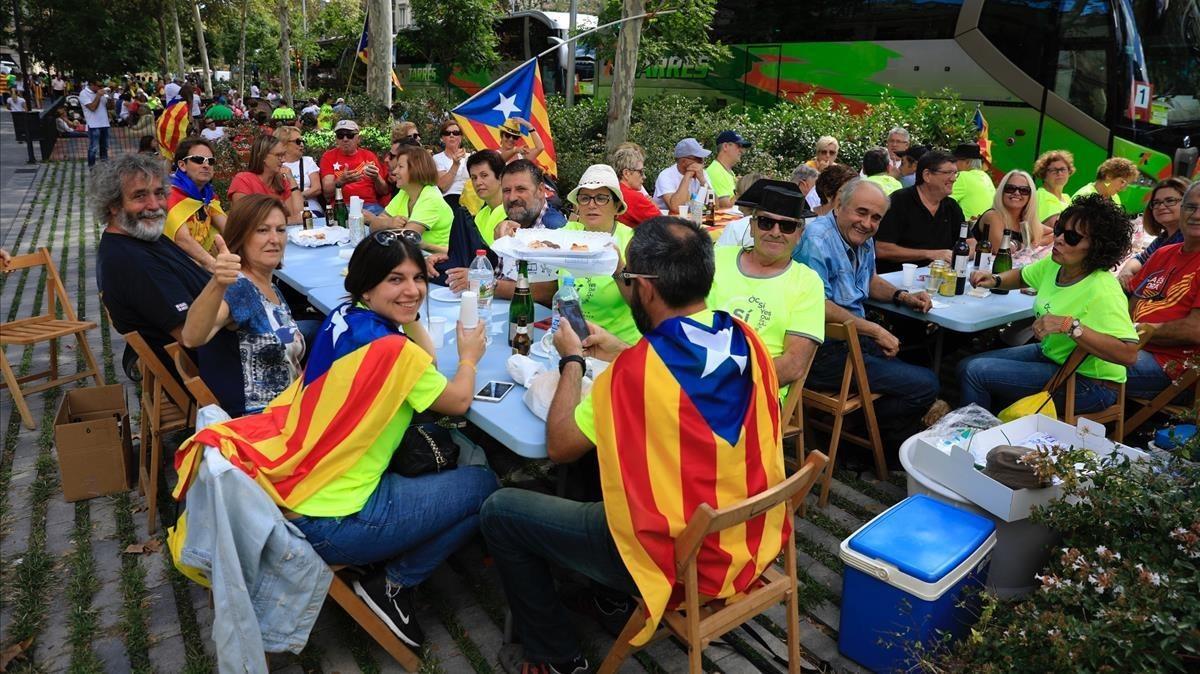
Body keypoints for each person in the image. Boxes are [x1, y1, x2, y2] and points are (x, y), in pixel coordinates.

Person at [482, 216, 792, 674]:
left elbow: (561, 444)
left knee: (501, 511)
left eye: (626, 278)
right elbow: (684, 376)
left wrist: (571, 360)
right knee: (600, 467)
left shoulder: (636, 374)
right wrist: (623, 350)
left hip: (676, 556)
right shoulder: (746, 339)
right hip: (752, 536)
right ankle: (604, 596)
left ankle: (555, 657)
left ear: (646, 288)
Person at [175, 231, 498, 649]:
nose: (412, 289)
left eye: (418, 278)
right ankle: (394, 585)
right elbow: (456, 400)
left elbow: (425, 363)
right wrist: (470, 357)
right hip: (335, 522)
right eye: (395, 280)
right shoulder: (396, 353)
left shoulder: (342, 318)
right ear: (367, 285)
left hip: (299, 490)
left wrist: (406, 310)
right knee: (486, 485)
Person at [794, 179, 941, 449]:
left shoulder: (862, 238)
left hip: (853, 341)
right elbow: (818, 304)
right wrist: (875, 330)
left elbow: (869, 281)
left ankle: (853, 429)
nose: (867, 223)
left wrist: (903, 297)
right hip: (820, 350)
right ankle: (862, 442)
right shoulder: (816, 239)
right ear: (839, 206)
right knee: (926, 384)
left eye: (876, 218)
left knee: (919, 358)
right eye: (861, 212)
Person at [964, 194, 1139, 413]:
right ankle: (993, 429)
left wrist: (1069, 325)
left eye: (1073, 237)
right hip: (1054, 357)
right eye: (1059, 230)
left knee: (976, 372)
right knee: (967, 365)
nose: (1059, 239)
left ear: (1097, 247)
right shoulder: (1057, 264)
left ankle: (972, 436)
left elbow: (1129, 354)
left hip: (1091, 383)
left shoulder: (1103, 289)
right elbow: (1023, 275)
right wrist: (996, 280)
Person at [94, 153, 216, 378]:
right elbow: (192, 336)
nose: (154, 205)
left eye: (159, 193)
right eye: (140, 196)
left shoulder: (144, 236)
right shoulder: (131, 262)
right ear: (113, 205)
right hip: (211, 373)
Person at [181, 195, 304, 416]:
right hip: (258, 425)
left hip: (288, 410)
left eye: (281, 230)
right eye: (262, 230)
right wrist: (217, 283)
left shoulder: (270, 286)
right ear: (241, 236)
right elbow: (192, 337)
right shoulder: (239, 288)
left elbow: (283, 336)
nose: (275, 239)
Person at [708, 179, 823, 394]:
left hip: (755, 394)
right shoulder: (715, 258)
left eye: (787, 225)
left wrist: (723, 384)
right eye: (765, 222)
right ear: (751, 226)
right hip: (694, 378)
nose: (776, 232)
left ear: (799, 234)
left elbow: (793, 366)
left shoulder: (807, 282)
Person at [531, 164, 640, 345]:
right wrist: (510, 233)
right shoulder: (570, 233)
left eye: (601, 198)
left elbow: (643, 306)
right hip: (571, 341)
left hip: (616, 346)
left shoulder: (632, 242)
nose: (591, 204)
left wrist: (619, 270)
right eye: (585, 198)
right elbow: (536, 244)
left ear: (617, 205)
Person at [1126, 180, 1200, 400]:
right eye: (1191, 207)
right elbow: (1135, 300)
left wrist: (1130, 334)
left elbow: (1194, 330)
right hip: (1132, 346)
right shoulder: (1162, 252)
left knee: (1079, 363)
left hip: (1172, 366)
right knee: (1060, 351)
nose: (1196, 215)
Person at [875, 149, 966, 273]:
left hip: (939, 278)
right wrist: (930, 254)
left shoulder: (951, 206)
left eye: (955, 173)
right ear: (927, 175)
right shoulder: (899, 202)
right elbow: (882, 249)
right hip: (898, 279)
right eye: (948, 173)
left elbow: (971, 243)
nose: (954, 179)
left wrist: (953, 256)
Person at [368, 144, 454, 253]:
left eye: (400, 167)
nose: (394, 172)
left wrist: (383, 224)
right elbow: (373, 227)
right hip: (417, 256)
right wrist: (389, 223)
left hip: (439, 261)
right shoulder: (404, 192)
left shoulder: (430, 197)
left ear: (416, 169)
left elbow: (407, 240)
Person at [166, 138, 228, 269]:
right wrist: (215, 267)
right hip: (176, 266)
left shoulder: (208, 195)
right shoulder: (169, 194)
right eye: (198, 160)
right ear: (182, 165)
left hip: (202, 263)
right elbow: (182, 240)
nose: (206, 165)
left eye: (210, 161)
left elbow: (228, 228)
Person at [1117, 177, 1189, 289]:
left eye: (1170, 201)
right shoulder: (1165, 237)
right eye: (1156, 202)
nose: (1161, 206)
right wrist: (1127, 270)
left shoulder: (1188, 240)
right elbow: (1141, 259)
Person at [319, 119, 389, 215]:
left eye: (350, 135)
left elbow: (384, 191)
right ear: (336, 139)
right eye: (340, 135)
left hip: (370, 205)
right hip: (342, 206)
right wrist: (341, 181)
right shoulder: (328, 157)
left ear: (358, 138)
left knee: (388, 223)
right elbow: (327, 193)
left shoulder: (369, 156)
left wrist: (377, 178)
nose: (345, 139)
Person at [228, 135, 303, 223]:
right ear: (262, 156)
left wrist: (292, 181)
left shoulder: (281, 182)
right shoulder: (243, 180)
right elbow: (246, 219)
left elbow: (300, 216)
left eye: (283, 155)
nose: (283, 160)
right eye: (278, 155)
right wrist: (286, 220)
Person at [973, 169, 1044, 255]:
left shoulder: (1025, 220)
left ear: (1030, 196)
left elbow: (1052, 233)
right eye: (1010, 188)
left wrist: (1032, 244)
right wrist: (1023, 245)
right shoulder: (993, 216)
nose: (1017, 193)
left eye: (1024, 190)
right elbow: (1001, 249)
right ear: (1002, 191)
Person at [275, 125, 323, 217]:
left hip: (310, 208)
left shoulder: (307, 161)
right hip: (285, 210)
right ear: (284, 144)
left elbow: (317, 188)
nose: (302, 145)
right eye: (297, 142)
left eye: (302, 141)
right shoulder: (276, 164)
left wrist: (297, 197)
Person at [652, 138, 711, 212]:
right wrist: (688, 175)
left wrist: (703, 181)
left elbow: (716, 205)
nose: (702, 163)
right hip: (667, 221)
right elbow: (676, 208)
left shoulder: (702, 174)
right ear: (684, 161)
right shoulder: (666, 175)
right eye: (698, 159)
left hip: (691, 219)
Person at [465, 149, 507, 246]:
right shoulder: (480, 215)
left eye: (484, 175)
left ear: (501, 178)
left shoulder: (514, 212)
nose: (478, 182)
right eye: (474, 178)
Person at [611, 145, 660, 228]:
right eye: (640, 172)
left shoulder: (611, 190)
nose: (644, 176)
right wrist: (655, 207)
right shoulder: (634, 198)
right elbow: (665, 227)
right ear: (626, 173)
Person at [705, 130, 751, 209]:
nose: (742, 151)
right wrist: (742, 187)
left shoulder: (728, 172)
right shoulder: (715, 171)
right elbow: (725, 207)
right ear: (725, 146)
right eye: (739, 146)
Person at [950, 142, 996, 220]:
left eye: (955, 160)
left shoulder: (962, 176)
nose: (952, 163)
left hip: (967, 229)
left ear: (967, 162)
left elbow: (942, 201)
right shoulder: (985, 176)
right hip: (986, 226)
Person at [1072, 157, 1137, 208]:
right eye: (1122, 182)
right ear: (1109, 175)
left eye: (1126, 184)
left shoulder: (1115, 198)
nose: (1123, 189)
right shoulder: (1085, 196)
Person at [1032, 149, 1075, 226]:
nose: (1059, 173)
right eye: (1053, 170)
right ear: (1043, 174)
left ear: (1069, 172)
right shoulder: (1041, 195)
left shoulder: (1066, 197)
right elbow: (1054, 226)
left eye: (1063, 169)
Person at [433, 119, 469, 209]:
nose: (451, 135)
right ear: (442, 138)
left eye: (456, 133)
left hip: (471, 199)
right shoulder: (437, 158)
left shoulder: (471, 157)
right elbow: (442, 186)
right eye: (447, 133)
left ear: (461, 137)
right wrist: (455, 165)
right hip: (450, 200)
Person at [79, 79, 112, 167]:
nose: (101, 88)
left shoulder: (101, 93)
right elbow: (92, 108)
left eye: (102, 86)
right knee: (93, 148)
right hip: (93, 125)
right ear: (92, 85)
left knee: (104, 147)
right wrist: (98, 95)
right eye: (99, 86)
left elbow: (110, 107)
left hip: (104, 123)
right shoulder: (83, 93)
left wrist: (110, 97)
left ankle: (104, 167)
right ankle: (92, 168)